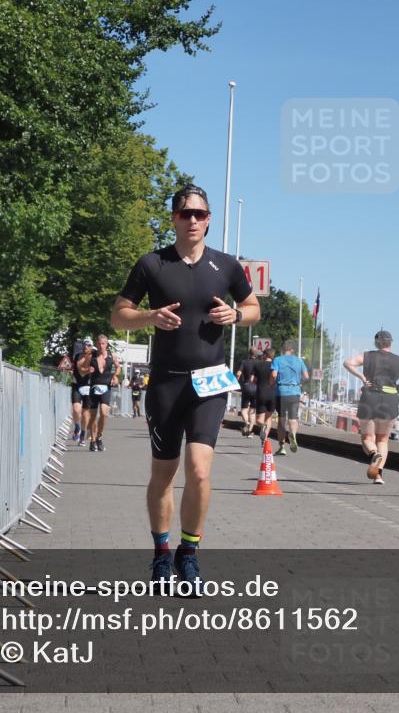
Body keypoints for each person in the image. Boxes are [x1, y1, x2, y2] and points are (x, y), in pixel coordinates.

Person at [110, 183, 260, 590]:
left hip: (210, 381)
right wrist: (149, 317)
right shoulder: (152, 264)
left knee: (199, 469)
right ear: (174, 218)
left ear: (209, 219)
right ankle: (161, 554)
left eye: (200, 214)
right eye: (185, 213)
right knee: (164, 473)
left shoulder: (227, 265)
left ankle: (188, 554)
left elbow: (254, 308)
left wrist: (236, 315)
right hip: (166, 383)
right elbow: (118, 317)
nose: (193, 220)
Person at [343, 331, 399, 484]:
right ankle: (378, 476)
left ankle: (374, 454)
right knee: (383, 439)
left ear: (376, 343)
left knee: (368, 438)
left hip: (369, 398)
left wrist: (361, 377)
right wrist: (398, 388)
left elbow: (347, 363)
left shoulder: (367, 356)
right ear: (391, 343)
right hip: (390, 401)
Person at [271, 339, 309, 455]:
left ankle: (282, 446)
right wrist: (299, 383)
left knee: (281, 419)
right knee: (293, 418)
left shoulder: (277, 359)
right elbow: (306, 376)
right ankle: (292, 434)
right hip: (294, 392)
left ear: (283, 349)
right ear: (292, 350)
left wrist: (272, 383)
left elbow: (273, 375)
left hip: (281, 391)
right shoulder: (299, 361)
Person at [87, 334, 120, 452]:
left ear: (107, 344)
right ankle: (92, 440)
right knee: (92, 416)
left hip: (106, 387)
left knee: (104, 413)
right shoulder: (92, 356)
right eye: (99, 343)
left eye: (103, 343)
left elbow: (118, 367)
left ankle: (99, 436)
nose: (101, 346)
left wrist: (115, 376)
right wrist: (87, 370)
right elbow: (81, 368)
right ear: (97, 344)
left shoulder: (112, 355)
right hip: (93, 387)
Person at [70, 338, 94, 445]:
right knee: (76, 409)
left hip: (89, 386)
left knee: (85, 413)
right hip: (77, 385)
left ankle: (83, 434)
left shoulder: (94, 357)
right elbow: (80, 371)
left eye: (88, 345)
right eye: (84, 345)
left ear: (92, 346)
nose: (86, 347)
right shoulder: (77, 356)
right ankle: (77, 427)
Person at [253, 347, 277, 444]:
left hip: (261, 393)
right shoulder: (275, 366)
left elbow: (252, 380)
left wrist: (258, 382)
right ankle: (265, 439)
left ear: (265, 355)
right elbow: (275, 378)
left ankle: (262, 426)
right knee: (269, 418)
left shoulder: (258, 365)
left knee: (259, 420)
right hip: (272, 394)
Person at [235, 348, 260, 436]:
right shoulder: (259, 363)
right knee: (253, 410)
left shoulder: (244, 362)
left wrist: (236, 381)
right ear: (256, 354)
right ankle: (250, 431)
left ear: (249, 353)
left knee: (244, 410)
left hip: (246, 386)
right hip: (256, 388)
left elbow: (238, 373)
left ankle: (247, 422)